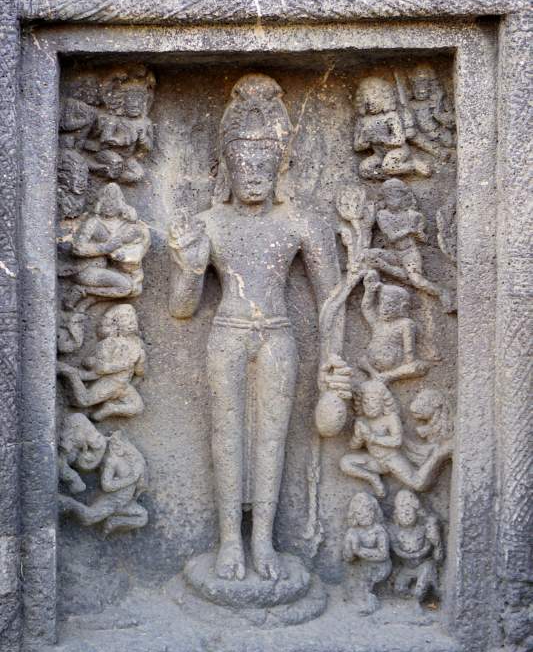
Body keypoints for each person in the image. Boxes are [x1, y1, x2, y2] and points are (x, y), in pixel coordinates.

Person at [168, 74, 349, 582]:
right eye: (242, 164)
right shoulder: (209, 222)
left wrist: (333, 363)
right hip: (227, 333)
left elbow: (331, 299)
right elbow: (181, 309)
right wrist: (189, 268)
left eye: (263, 165)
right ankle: (230, 540)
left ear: (279, 165)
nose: (252, 175)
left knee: (272, 438)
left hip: (277, 336)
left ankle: (263, 540)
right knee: (226, 436)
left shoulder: (300, 222)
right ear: (227, 166)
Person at [340, 379, 453, 498]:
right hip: (375, 460)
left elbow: (396, 441)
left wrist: (372, 438)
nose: (369, 405)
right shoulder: (361, 421)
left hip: (391, 458)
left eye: (374, 401)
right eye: (365, 402)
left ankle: (437, 456)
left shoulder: (390, 418)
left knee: (418, 484)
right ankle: (373, 478)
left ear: (383, 402)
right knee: (345, 463)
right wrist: (358, 437)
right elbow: (354, 446)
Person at [367, 179, 453, 312]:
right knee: (369, 255)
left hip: (409, 253)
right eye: (389, 197)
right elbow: (391, 237)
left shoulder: (413, 216)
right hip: (393, 252)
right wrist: (409, 230)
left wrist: (419, 233)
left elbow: (423, 239)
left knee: (417, 281)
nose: (393, 201)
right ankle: (396, 278)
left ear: (403, 198)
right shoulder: (382, 215)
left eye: (397, 196)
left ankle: (441, 292)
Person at [57, 304, 145, 421]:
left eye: (133, 318)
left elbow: (139, 371)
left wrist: (140, 362)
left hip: (124, 385)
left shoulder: (137, 345)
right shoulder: (108, 343)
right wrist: (123, 366)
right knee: (83, 400)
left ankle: (110, 409)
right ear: (115, 323)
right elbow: (101, 368)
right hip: (109, 382)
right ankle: (70, 372)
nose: (131, 322)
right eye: (126, 318)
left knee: (137, 407)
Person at [59, 430, 148, 536]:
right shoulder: (112, 461)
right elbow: (106, 485)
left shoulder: (134, 461)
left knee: (142, 517)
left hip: (124, 503)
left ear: (125, 445)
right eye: (113, 444)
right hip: (112, 501)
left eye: (118, 444)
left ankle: (113, 522)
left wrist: (138, 483)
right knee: (88, 518)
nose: (115, 447)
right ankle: (66, 502)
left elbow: (140, 484)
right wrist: (130, 479)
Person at [358, 269, 429, 383]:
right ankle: (376, 375)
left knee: (416, 367)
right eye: (381, 304)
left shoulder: (405, 324)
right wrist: (369, 291)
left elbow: (409, 356)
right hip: (370, 364)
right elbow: (367, 308)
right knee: (361, 360)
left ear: (402, 307)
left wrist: (405, 366)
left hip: (395, 366)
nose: (384, 308)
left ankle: (386, 376)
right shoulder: (378, 323)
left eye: (390, 305)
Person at [388, 490, 443, 603]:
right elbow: (396, 548)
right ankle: (410, 601)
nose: (405, 516)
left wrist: (436, 543)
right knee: (399, 589)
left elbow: (429, 547)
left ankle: (419, 599)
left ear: (417, 513)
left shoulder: (422, 529)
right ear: (396, 515)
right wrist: (408, 555)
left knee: (420, 590)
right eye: (401, 513)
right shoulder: (395, 531)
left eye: (409, 512)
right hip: (407, 567)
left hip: (423, 565)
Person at [343, 491, 391, 614]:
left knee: (365, 582)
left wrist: (360, 550)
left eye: (369, 511)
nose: (365, 516)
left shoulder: (379, 531)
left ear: (375, 512)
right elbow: (348, 558)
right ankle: (363, 599)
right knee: (351, 588)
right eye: (360, 513)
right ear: (354, 516)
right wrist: (350, 547)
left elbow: (383, 554)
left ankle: (369, 601)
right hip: (359, 566)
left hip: (378, 566)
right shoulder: (352, 532)